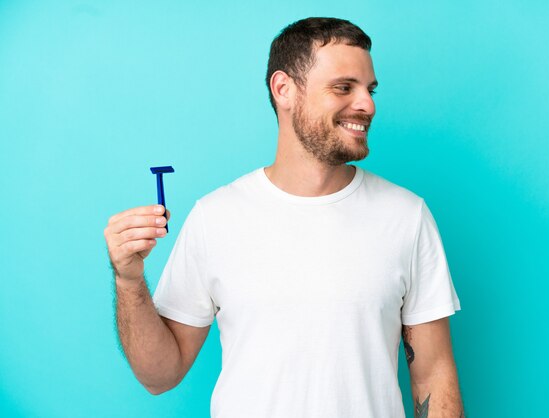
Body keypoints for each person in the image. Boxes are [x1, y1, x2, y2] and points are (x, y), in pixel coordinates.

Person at [104, 17, 464, 418]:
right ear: (284, 89)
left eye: (369, 89)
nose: (367, 104)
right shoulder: (216, 217)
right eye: (344, 87)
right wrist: (129, 281)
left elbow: (433, 376)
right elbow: (159, 375)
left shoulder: (407, 216)